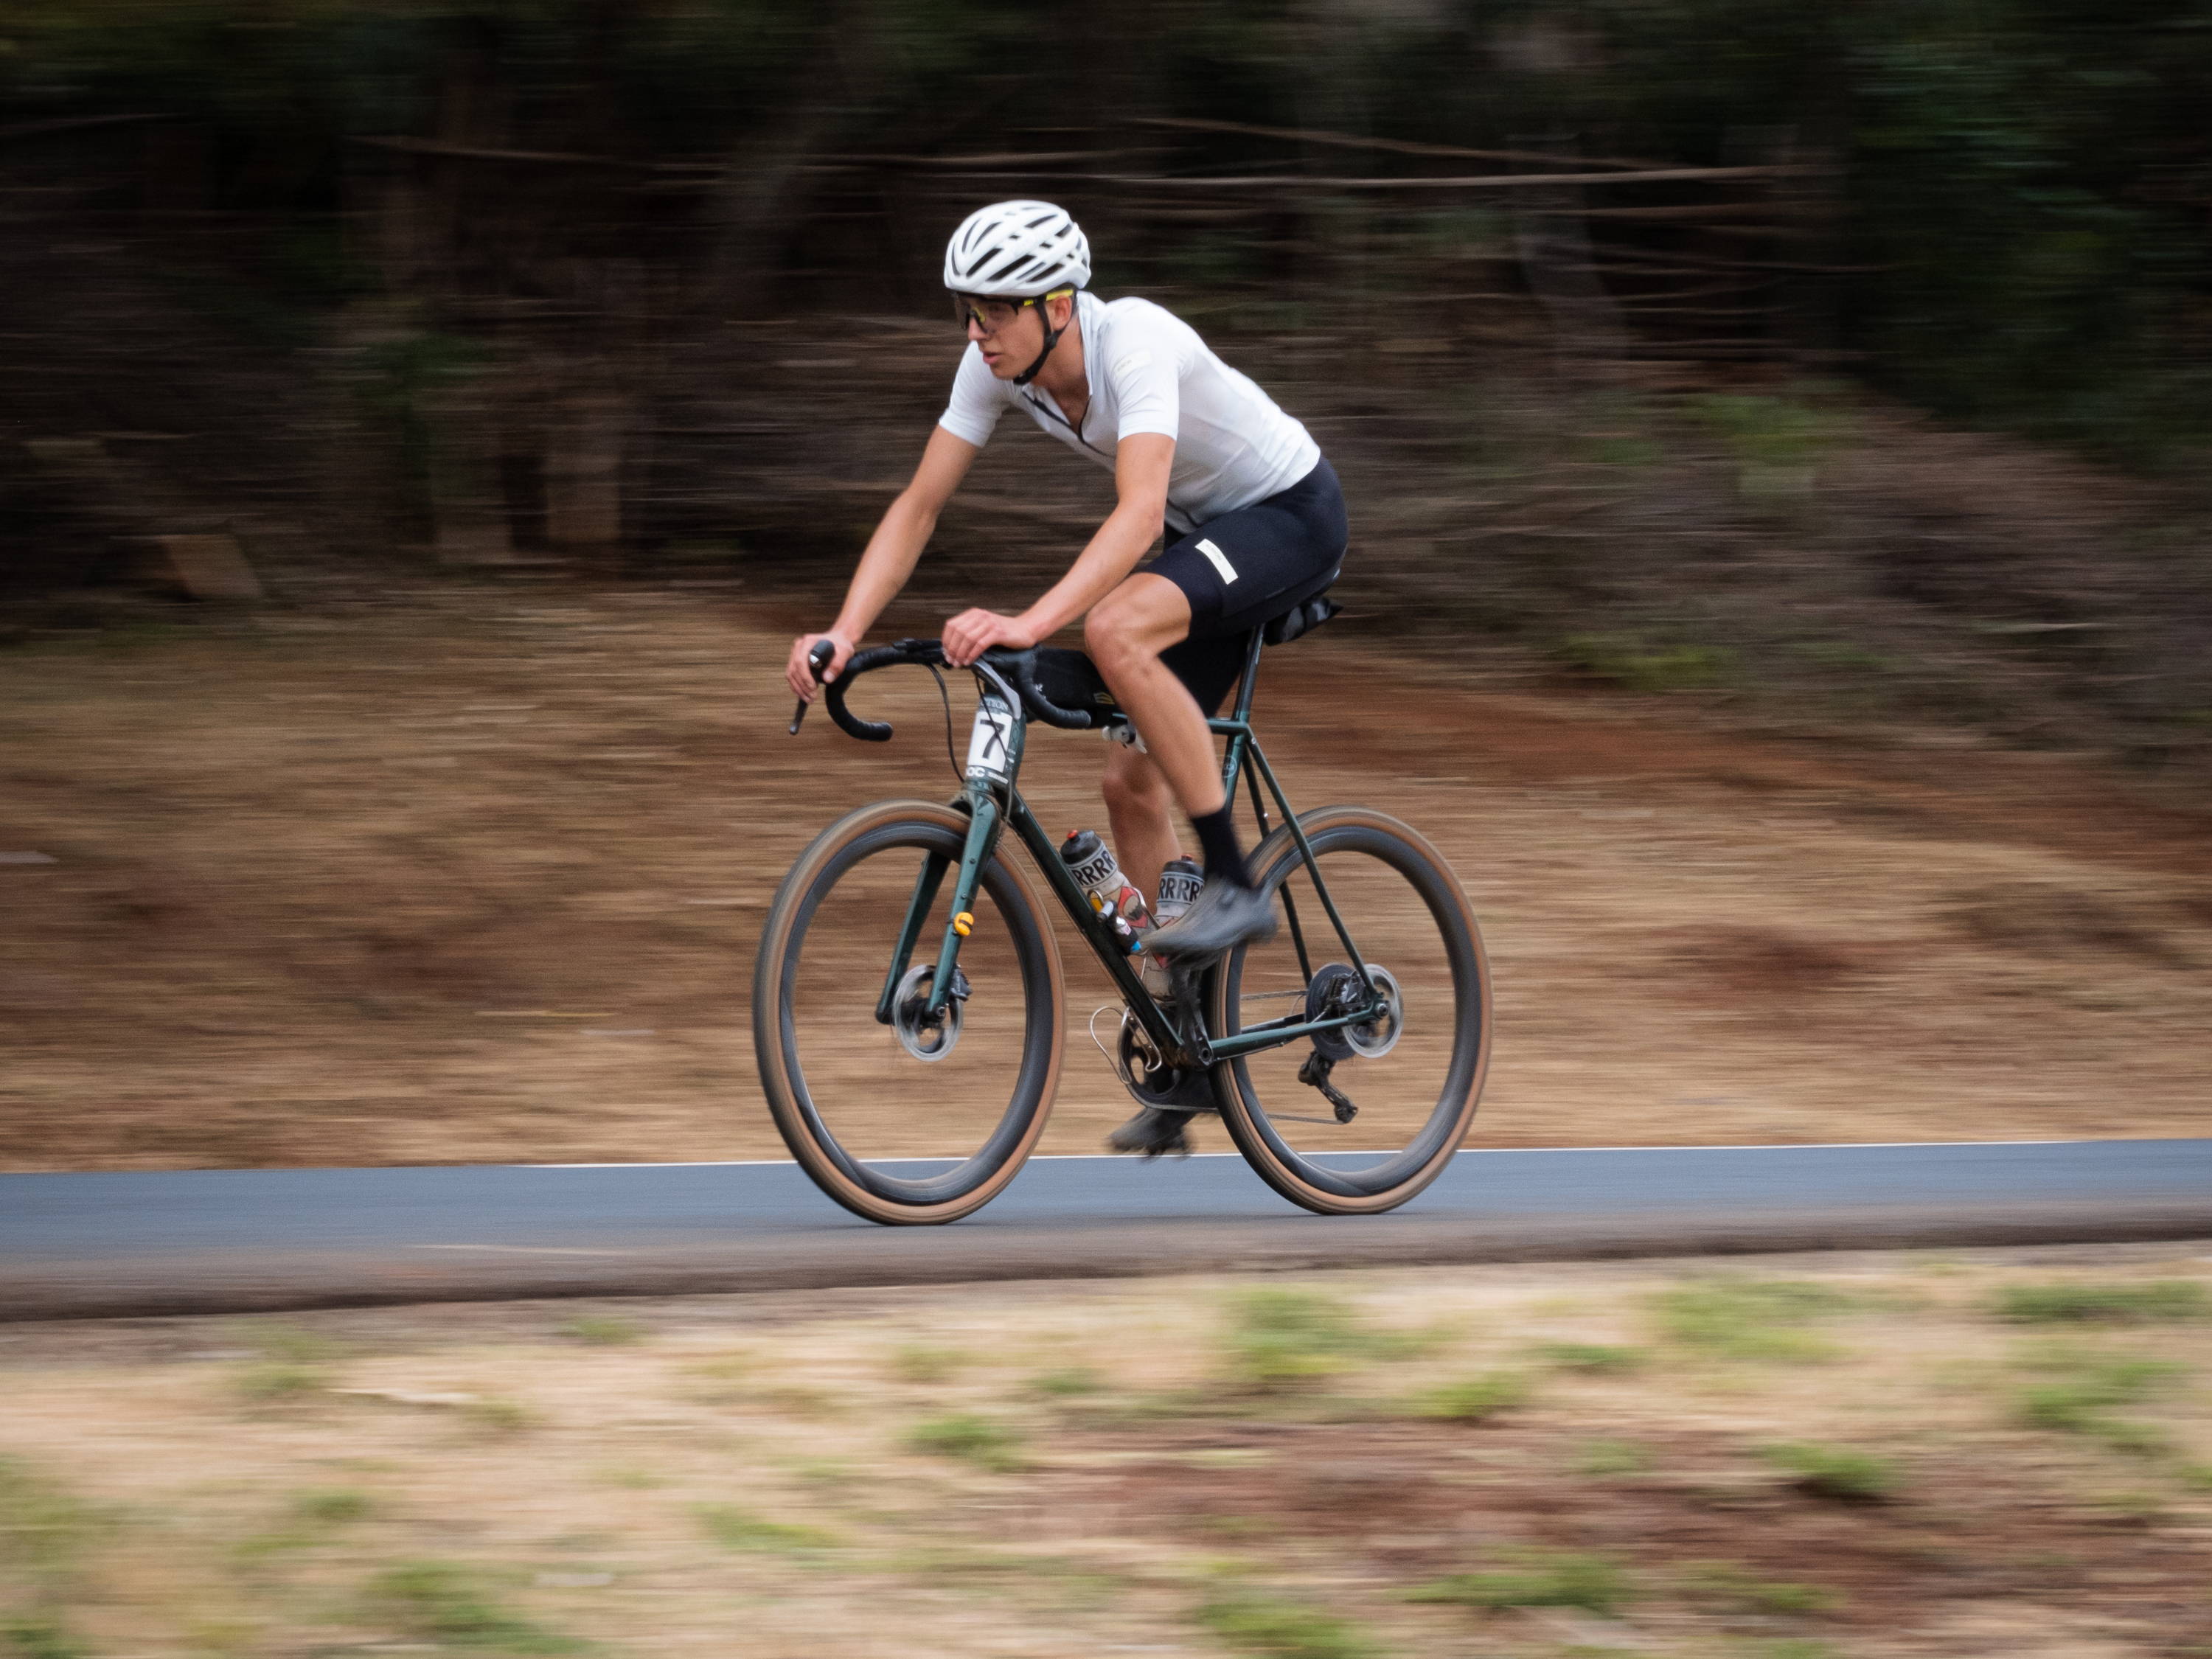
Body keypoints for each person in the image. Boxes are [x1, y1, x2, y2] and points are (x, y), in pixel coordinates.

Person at [786, 199, 1348, 1154]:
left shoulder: (1135, 342)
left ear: (1056, 304)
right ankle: (1190, 1051)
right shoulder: (996, 367)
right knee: (1126, 778)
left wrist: (1028, 621)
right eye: (968, 309)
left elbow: (1137, 519)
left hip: (1288, 513)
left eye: (994, 311)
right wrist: (843, 630)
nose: (976, 331)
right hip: (1204, 533)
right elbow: (919, 505)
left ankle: (1234, 882)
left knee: (1115, 627)